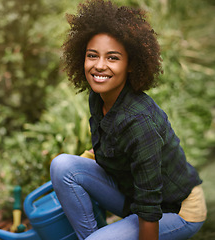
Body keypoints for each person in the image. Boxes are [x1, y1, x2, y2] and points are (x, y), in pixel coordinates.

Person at [50, 0, 207, 239]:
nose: (99, 66)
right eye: (92, 55)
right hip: (132, 193)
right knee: (63, 166)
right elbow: (110, 138)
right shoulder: (100, 96)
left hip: (176, 209)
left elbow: (150, 204)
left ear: (131, 64)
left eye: (112, 58)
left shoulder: (139, 122)